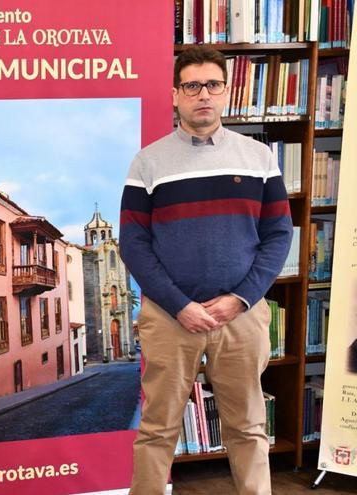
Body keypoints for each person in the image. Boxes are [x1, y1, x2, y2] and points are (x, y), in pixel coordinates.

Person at [120, 45, 293, 494]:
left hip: (241, 315)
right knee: (157, 431)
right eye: (192, 85)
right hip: (169, 317)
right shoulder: (148, 162)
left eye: (212, 85)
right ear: (175, 94)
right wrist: (179, 305)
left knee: (249, 428)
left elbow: (278, 234)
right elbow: (133, 243)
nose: (203, 95)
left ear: (226, 92)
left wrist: (241, 298)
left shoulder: (259, 158)